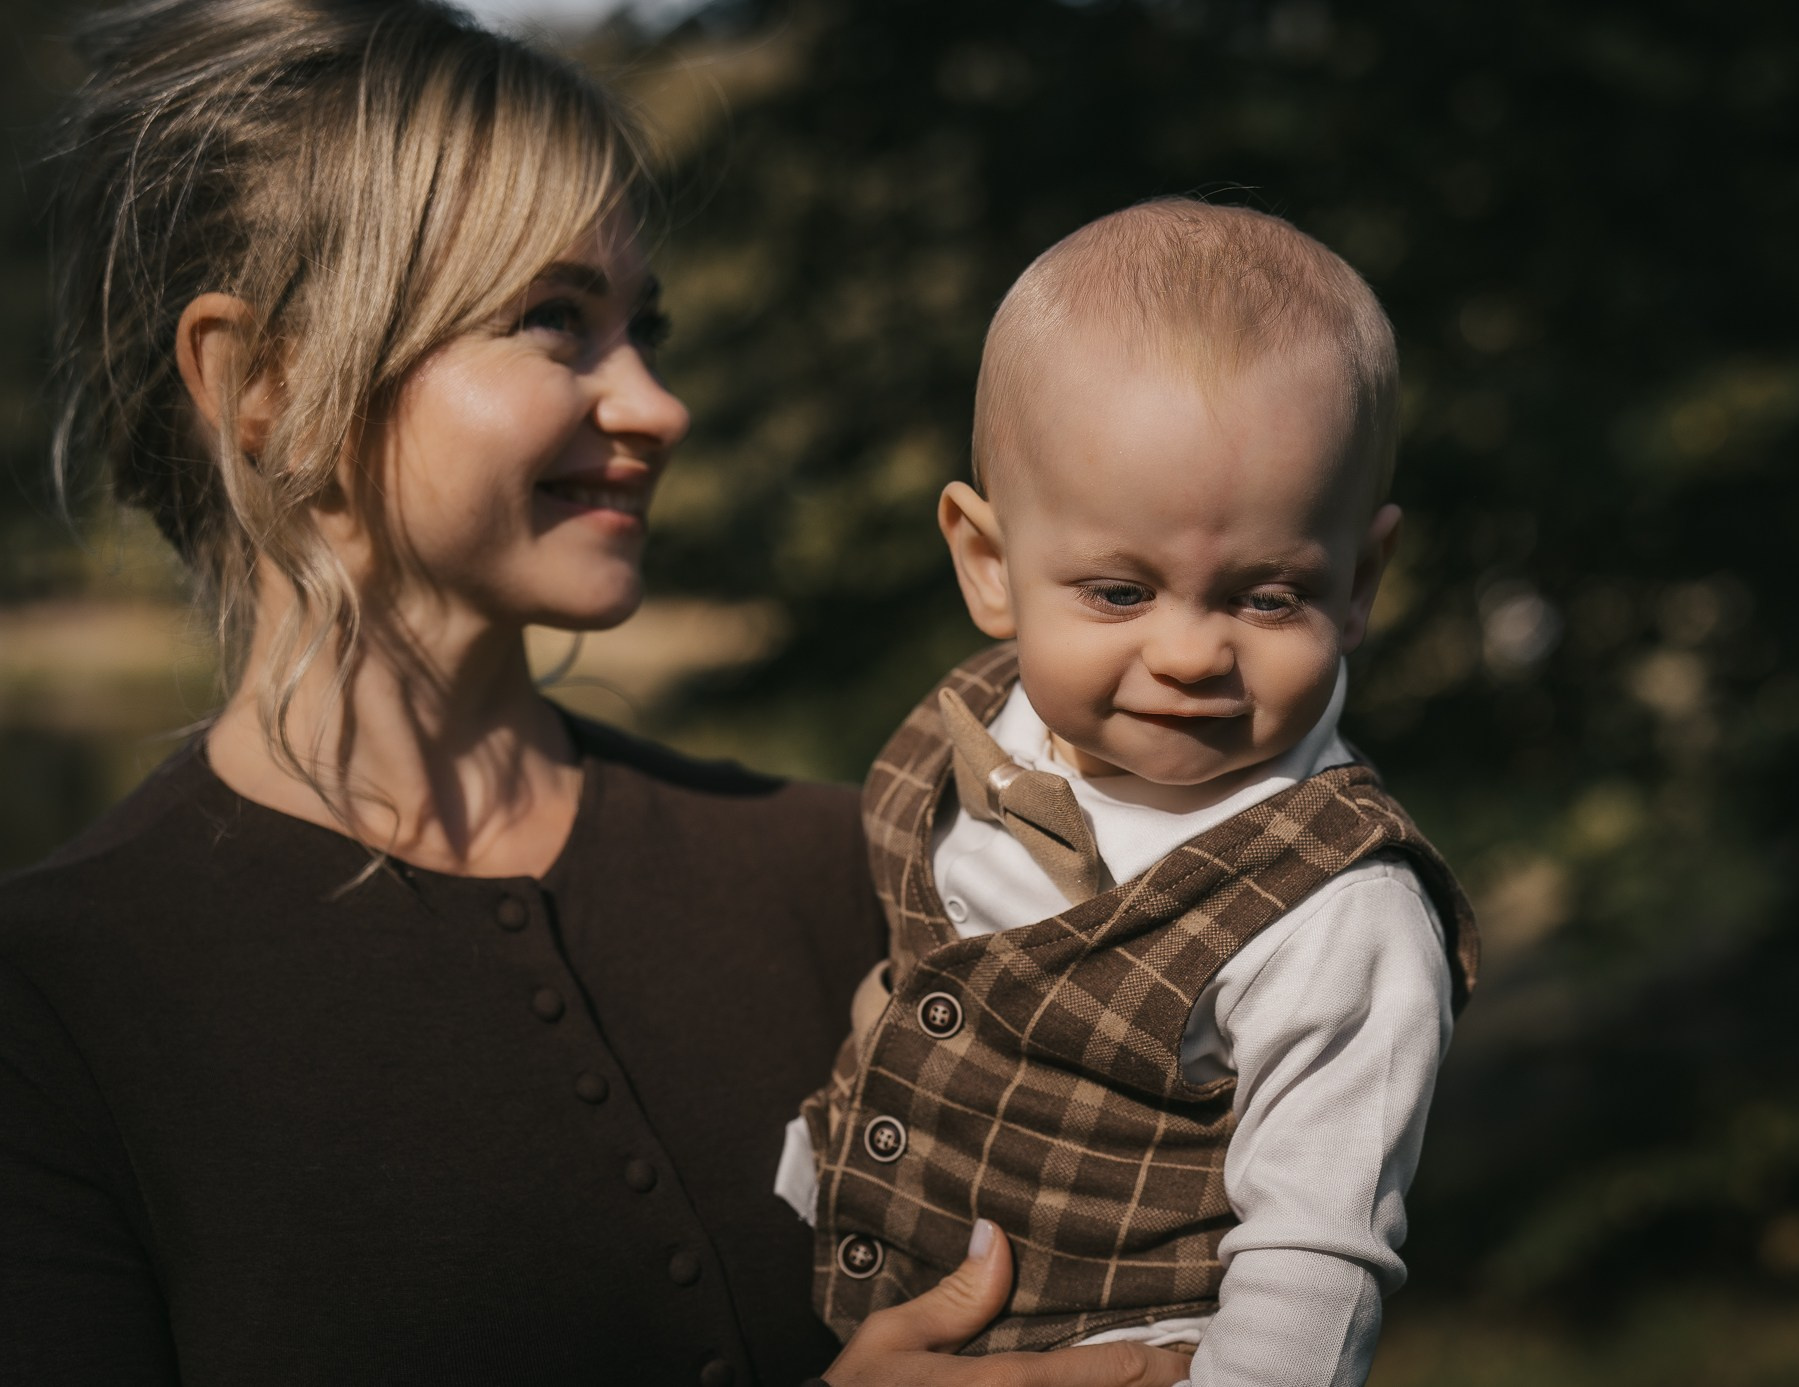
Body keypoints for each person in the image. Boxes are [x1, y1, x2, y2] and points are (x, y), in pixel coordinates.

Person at [0, 3, 1191, 1385]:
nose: (659, 403)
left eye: (646, 326)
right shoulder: (57, 1007)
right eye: (555, 321)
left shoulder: (852, 868)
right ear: (262, 383)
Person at [781, 200, 1482, 1384]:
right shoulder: (981, 727)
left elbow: (1317, 1258)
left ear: (1360, 579)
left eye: (1267, 598)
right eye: (1117, 593)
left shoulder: (1334, 912)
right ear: (989, 564)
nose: (1191, 654)